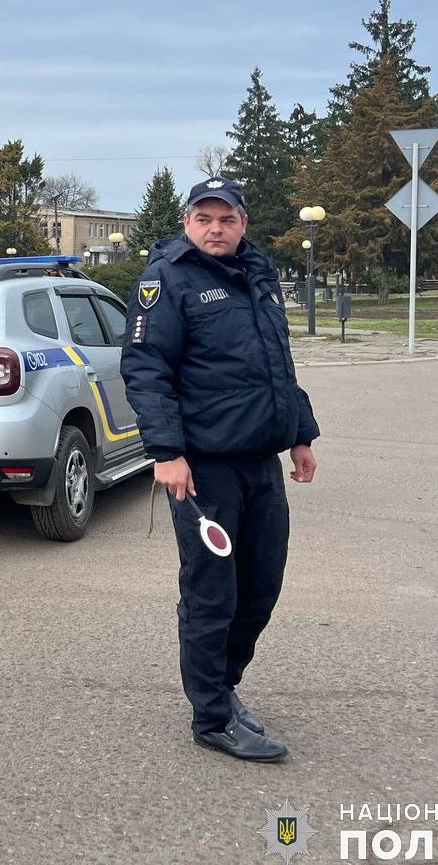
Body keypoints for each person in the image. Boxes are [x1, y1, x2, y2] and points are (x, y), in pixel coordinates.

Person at [120, 177, 320, 764]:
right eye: (203, 218)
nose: (215, 228)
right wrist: (167, 452)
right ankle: (210, 715)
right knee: (212, 592)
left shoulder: (257, 273)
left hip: (260, 461)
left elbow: (276, 362)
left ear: (243, 223)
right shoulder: (167, 280)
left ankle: (224, 686)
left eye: (225, 218)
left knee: (262, 584)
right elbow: (146, 368)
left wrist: (300, 434)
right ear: (187, 222)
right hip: (204, 467)